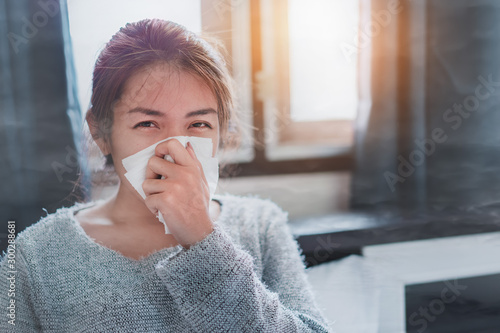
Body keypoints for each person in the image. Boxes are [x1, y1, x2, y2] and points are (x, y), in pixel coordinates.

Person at [0, 19, 330, 332]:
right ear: (100, 132)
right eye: (147, 124)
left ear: (221, 132)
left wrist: (203, 240)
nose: (173, 149)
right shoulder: (34, 255)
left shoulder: (261, 225)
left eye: (199, 124)